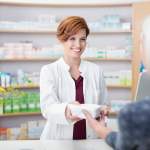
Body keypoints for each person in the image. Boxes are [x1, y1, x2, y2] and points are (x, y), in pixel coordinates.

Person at [83, 16, 150, 150]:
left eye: (82, 39)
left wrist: (99, 124)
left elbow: (124, 145)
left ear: (142, 43)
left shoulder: (136, 115)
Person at [40, 16, 109, 140]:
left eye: (82, 39)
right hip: (58, 141)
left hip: (90, 139)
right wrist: (67, 109)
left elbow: (104, 103)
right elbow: (47, 108)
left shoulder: (96, 71)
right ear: (62, 40)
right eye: (72, 39)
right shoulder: (49, 71)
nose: (78, 45)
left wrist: (103, 111)